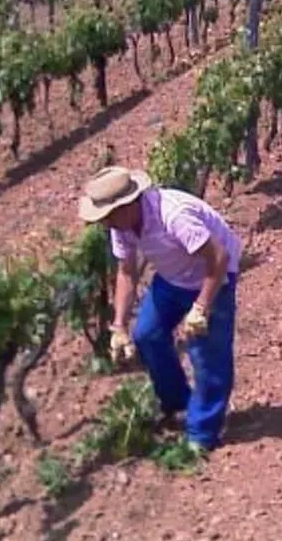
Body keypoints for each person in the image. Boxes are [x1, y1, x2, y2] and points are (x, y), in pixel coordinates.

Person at [77, 166, 243, 453]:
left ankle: (201, 435)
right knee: (147, 334)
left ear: (128, 205)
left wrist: (202, 307)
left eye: (108, 216)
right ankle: (178, 403)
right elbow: (127, 271)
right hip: (173, 278)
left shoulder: (175, 216)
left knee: (205, 355)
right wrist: (118, 326)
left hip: (214, 277)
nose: (106, 224)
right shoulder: (122, 225)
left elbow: (218, 257)